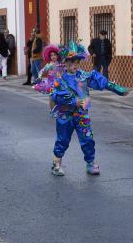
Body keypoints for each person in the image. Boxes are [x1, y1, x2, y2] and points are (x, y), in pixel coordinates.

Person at [50, 40, 128, 176]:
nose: (75, 64)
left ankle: (90, 164)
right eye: (72, 62)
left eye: (77, 62)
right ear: (66, 63)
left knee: (87, 139)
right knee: (62, 139)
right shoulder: (60, 80)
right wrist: (74, 102)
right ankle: (56, 164)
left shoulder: (84, 76)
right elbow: (56, 96)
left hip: (82, 115)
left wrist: (118, 89)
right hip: (65, 115)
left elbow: (100, 81)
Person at [33, 44, 65, 110]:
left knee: (59, 96)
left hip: (59, 82)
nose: (53, 57)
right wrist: (40, 77)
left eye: (54, 55)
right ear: (49, 57)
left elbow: (64, 71)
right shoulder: (49, 65)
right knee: (51, 96)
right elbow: (42, 71)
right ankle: (52, 110)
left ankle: (59, 109)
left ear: (57, 55)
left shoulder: (60, 64)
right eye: (51, 55)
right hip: (51, 83)